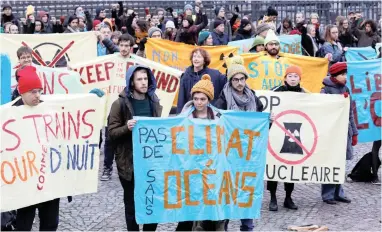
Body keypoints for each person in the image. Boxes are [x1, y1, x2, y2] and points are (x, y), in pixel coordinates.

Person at [108, 65, 161, 231]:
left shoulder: (154, 101)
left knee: (152, 202)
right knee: (131, 205)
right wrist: (126, 127)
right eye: (139, 79)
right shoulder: (120, 103)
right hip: (129, 163)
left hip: (150, 163)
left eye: (145, 78)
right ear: (132, 82)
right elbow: (111, 132)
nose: (144, 82)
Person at [215, 56, 265, 231]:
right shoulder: (222, 100)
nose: (239, 83)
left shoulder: (253, 98)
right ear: (230, 80)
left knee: (247, 192)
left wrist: (269, 121)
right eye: (235, 79)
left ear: (246, 79)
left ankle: (247, 227)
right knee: (228, 193)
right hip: (229, 155)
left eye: (242, 79)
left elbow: (260, 124)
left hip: (249, 154)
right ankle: (224, 227)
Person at [13, 66, 60, 231]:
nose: (37, 95)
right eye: (32, 91)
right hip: (25, 177)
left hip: (49, 176)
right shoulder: (10, 114)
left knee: (50, 223)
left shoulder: (49, 108)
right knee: (24, 222)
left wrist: (90, 99)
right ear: (22, 92)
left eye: (39, 91)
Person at [179, 75, 225, 231]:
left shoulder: (219, 116)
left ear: (209, 100)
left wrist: (267, 119)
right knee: (195, 204)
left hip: (212, 167)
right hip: (192, 167)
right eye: (196, 98)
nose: (199, 102)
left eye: (203, 99)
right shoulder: (184, 116)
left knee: (214, 203)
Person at [267, 65, 306, 211]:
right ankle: (273, 197)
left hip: (294, 133)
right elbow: (266, 105)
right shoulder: (275, 92)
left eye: (296, 76)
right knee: (274, 165)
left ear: (300, 78)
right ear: (285, 78)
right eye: (290, 76)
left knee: (291, 167)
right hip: (277, 132)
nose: (293, 79)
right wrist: (269, 117)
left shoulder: (304, 94)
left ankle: (288, 197)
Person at [100, 33, 136, 181]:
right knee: (109, 139)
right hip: (113, 106)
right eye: (121, 45)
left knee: (130, 138)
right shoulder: (111, 60)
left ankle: (130, 167)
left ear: (131, 47)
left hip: (129, 107)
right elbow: (92, 64)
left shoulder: (137, 62)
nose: (124, 48)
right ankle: (107, 168)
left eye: (127, 45)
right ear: (118, 45)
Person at [320, 62, 357, 204]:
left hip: (344, 131)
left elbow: (350, 113)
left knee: (340, 163)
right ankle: (327, 194)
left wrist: (354, 132)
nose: (345, 77)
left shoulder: (346, 88)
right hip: (331, 132)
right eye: (342, 74)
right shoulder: (325, 90)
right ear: (335, 75)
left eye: (346, 74)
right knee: (330, 162)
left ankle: (338, 192)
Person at [176, 48, 227, 114]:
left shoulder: (215, 74)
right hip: (191, 114)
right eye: (194, 56)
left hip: (210, 113)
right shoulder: (186, 76)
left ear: (204, 60)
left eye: (199, 57)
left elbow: (228, 82)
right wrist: (179, 116)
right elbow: (181, 99)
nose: (196, 59)